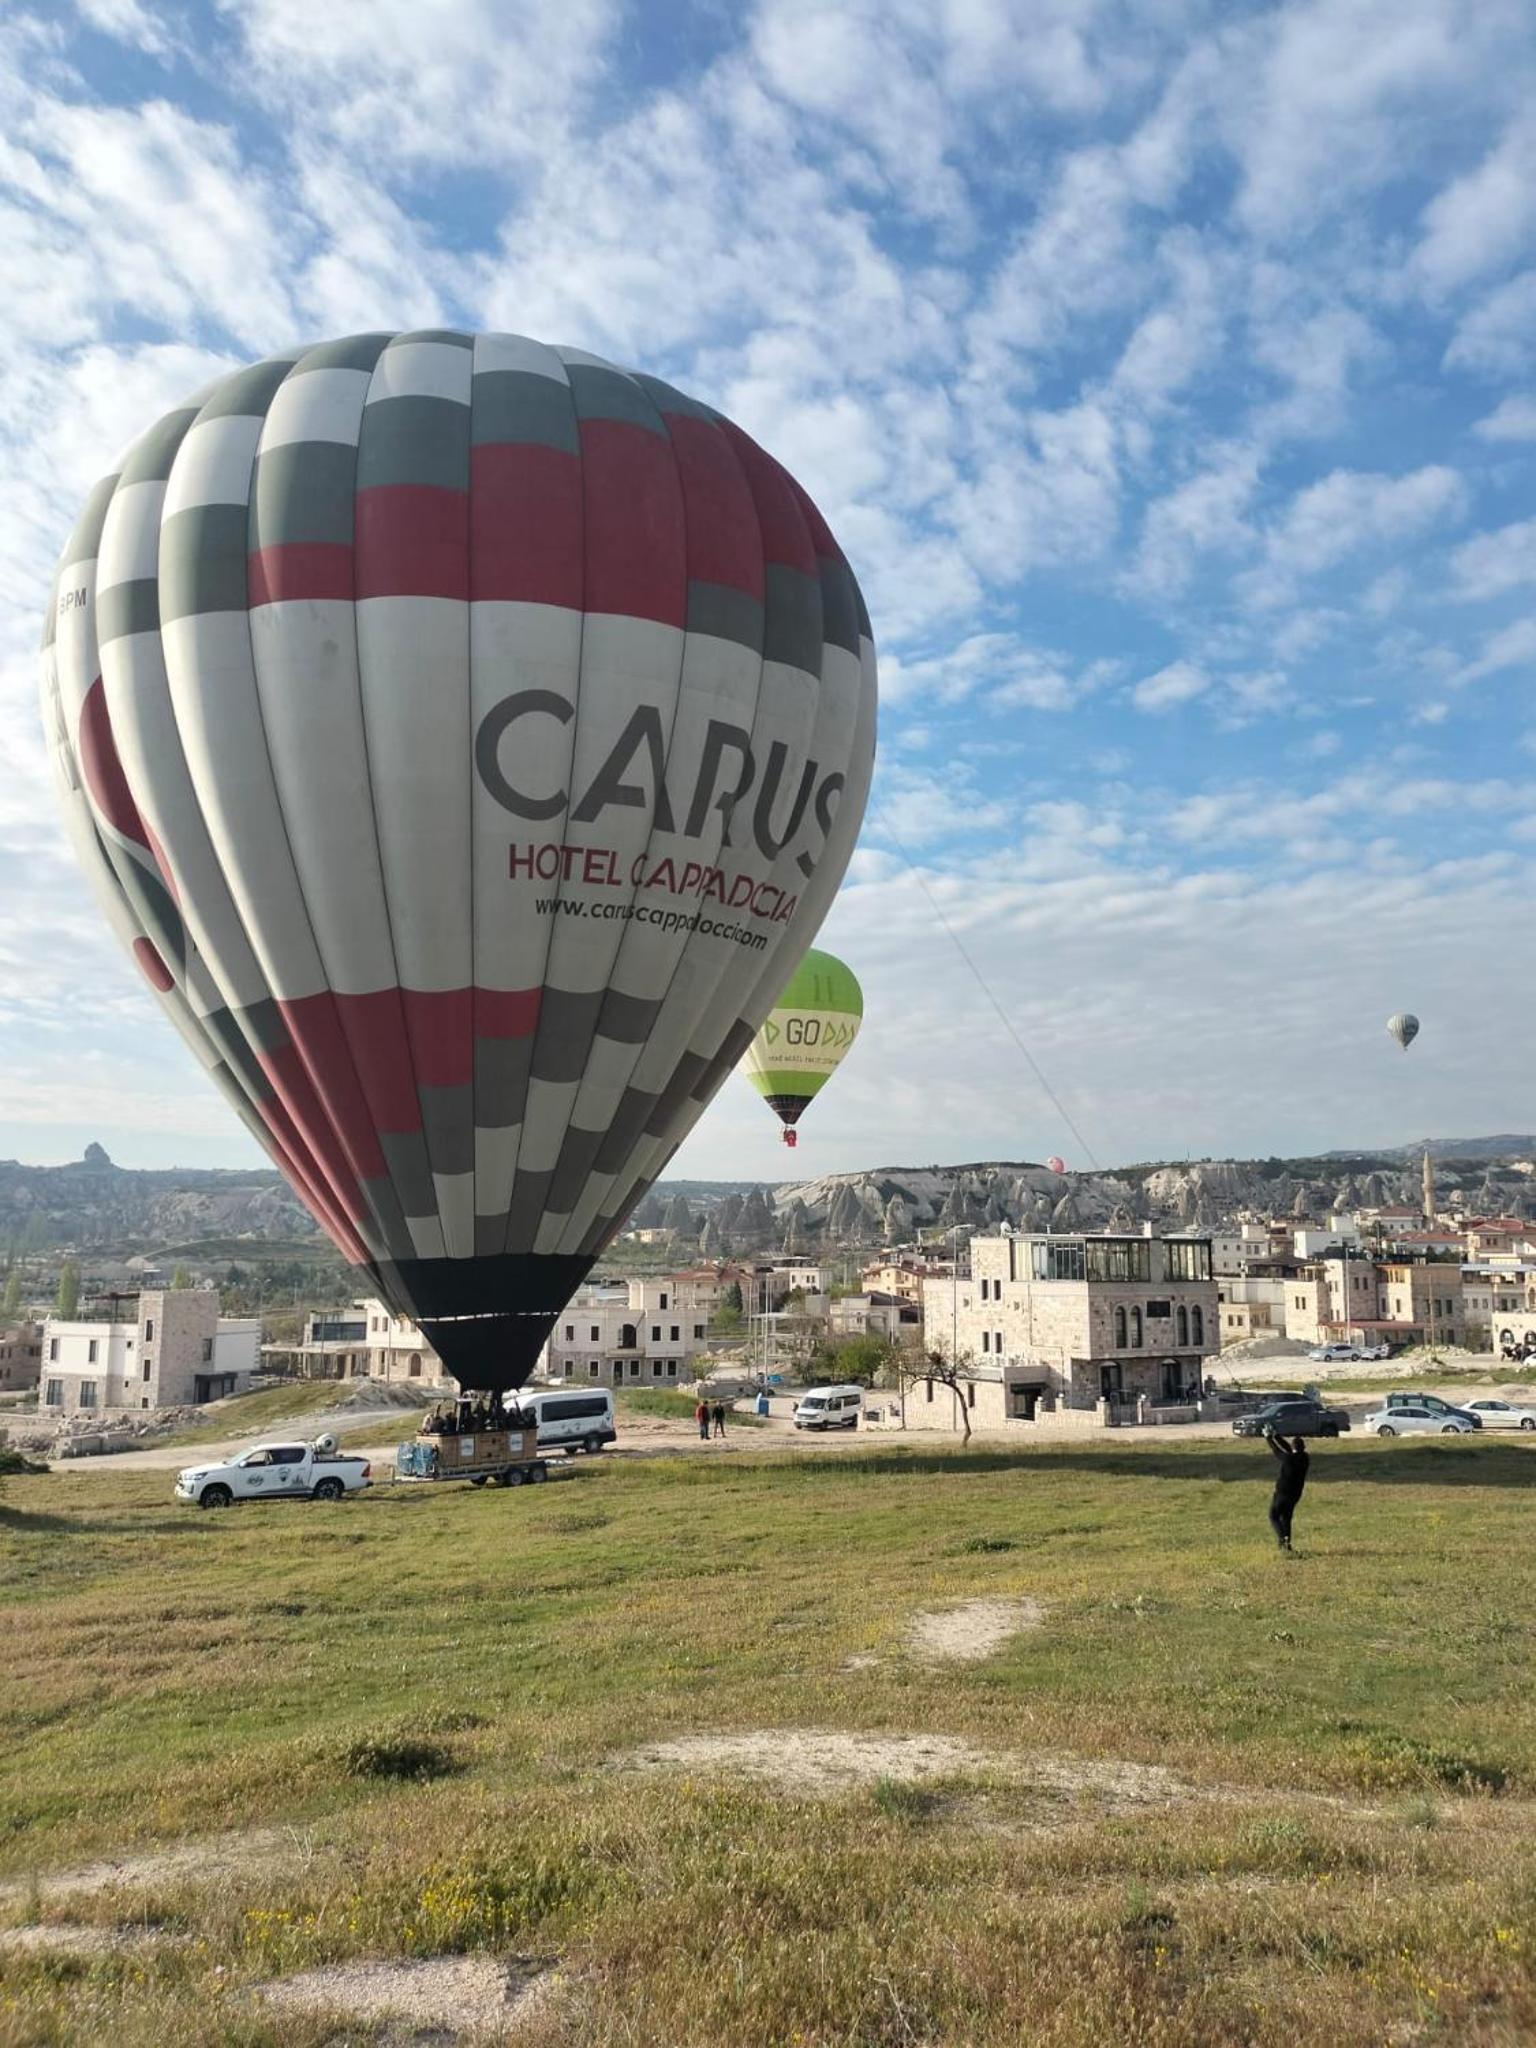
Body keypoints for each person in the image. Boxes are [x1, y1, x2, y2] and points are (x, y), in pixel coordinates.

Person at [1265, 1428, 1310, 1553]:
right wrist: (1276, 1436)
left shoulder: (1288, 1459)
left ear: (1293, 1447)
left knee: (1273, 1516)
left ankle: (1282, 1539)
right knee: (1286, 1518)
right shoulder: (1305, 1458)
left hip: (1282, 1493)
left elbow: (1277, 1451)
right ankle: (1287, 1546)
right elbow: (1287, 1449)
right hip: (1295, 1494)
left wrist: (1269, 1438)